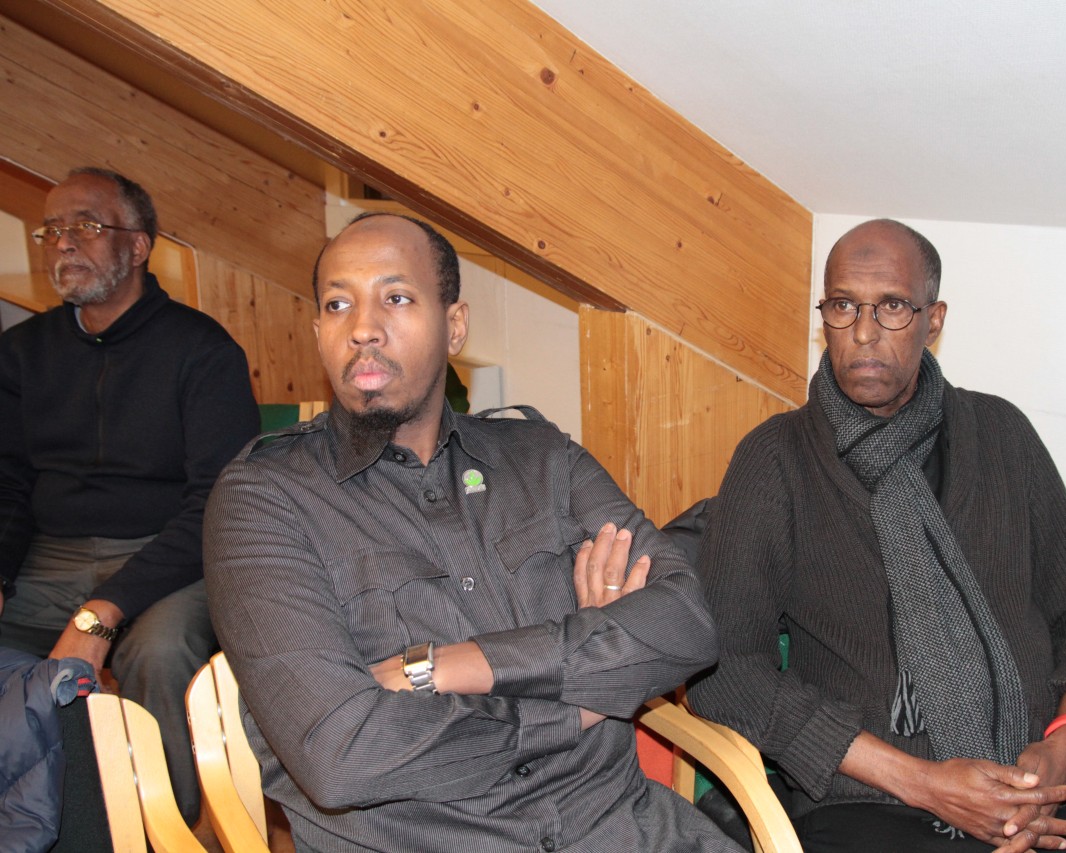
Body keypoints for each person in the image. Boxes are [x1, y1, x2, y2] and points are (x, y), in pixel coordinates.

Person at [203, 212, 738, 852]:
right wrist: (582, 698)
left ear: (454, 326)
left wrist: (442, 667)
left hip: (623, 828)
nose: (363, 328)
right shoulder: (263, 499)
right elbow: (342, 753)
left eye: (396, 298)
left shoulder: (544, 458)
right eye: (338, 305)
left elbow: (686, 621)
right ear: (319, 332)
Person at [686, 219, 1066, 853]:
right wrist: (925, 783)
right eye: (843, 305)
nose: (863, 332)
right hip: (871, 802)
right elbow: (727, 671)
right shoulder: (776, 459)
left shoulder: (1003, 436)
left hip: (1044, 791)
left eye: (893, 306)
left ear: (934, 319)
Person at [0, 167, 260, 823]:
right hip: (49, 555)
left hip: (170, 556)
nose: (63, 242)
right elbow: (8, 484)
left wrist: (103, 609)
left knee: (159, 651)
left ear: (139, 245)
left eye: (86, 225)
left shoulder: (202, 350)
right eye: (51, 230)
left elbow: (218, 503)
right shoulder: (21, 352)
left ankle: (164, 827)